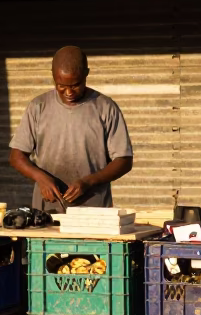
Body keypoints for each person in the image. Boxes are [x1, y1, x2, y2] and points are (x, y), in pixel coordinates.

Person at [9, 46, 134, 212]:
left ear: (86, 74)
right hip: (47, 211)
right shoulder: (38, 107)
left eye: (75, 85)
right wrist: (41, 178)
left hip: (94, 211)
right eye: (61, 86)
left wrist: (88, 182)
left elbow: (124, 161)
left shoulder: (105, 107)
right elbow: (16, 157)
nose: (68, 92)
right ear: (53, 76)